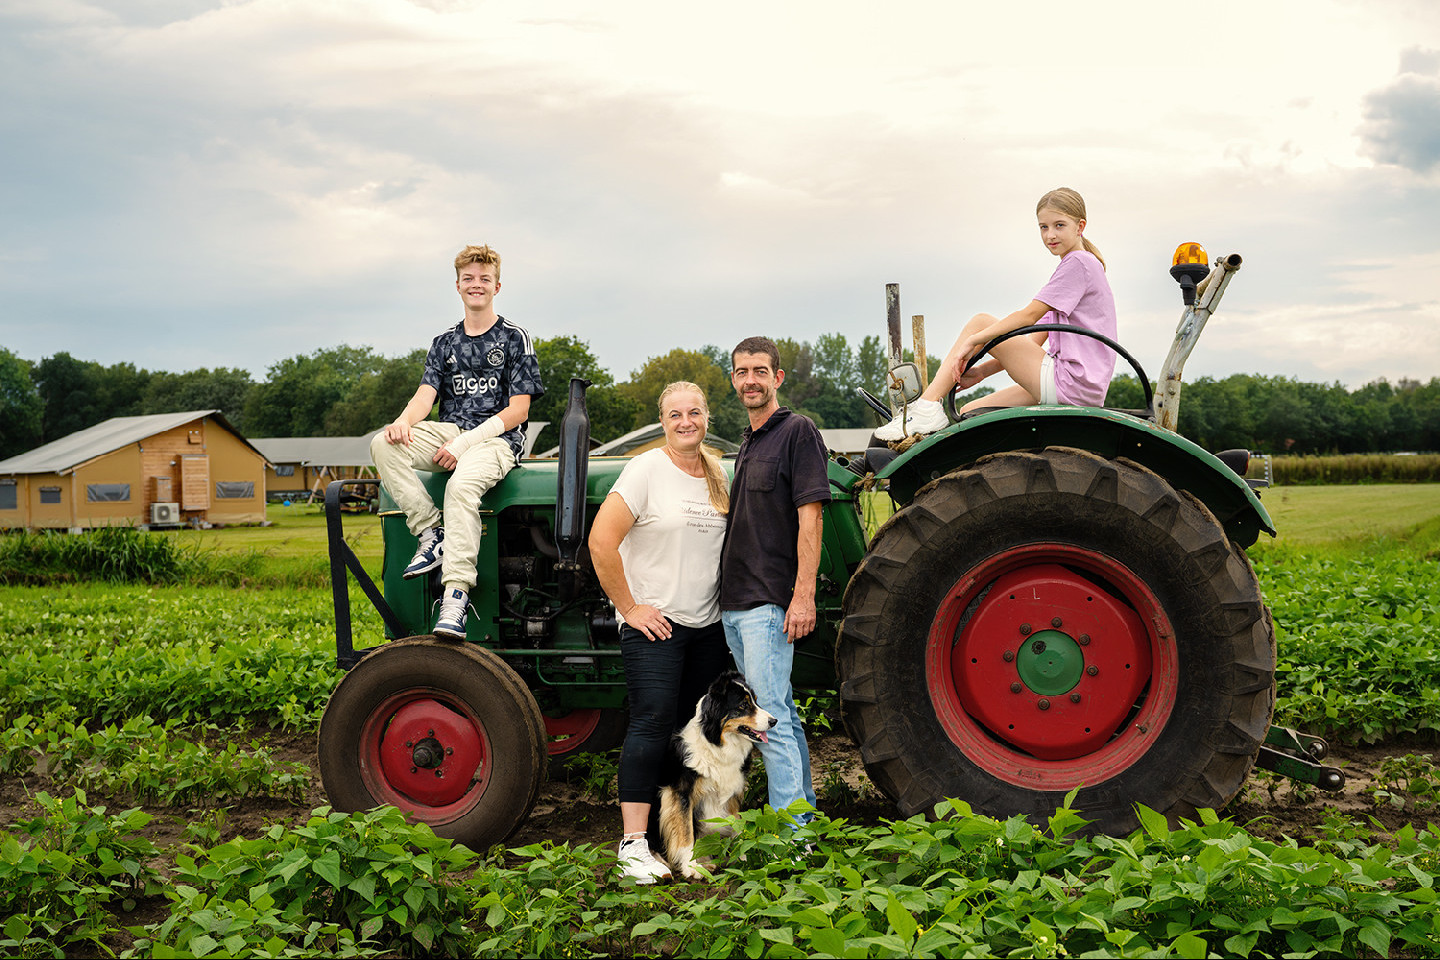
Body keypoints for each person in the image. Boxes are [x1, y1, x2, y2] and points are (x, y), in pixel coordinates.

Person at [588, 381, 732, 884]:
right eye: (675, 414)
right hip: (658, 626)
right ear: (663, 420)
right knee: (651, 724)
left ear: (707, 417)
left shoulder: (716, 473)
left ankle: (678, 841)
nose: (686, 421)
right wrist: (629, 606)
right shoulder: (646, 469)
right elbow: (601, 541)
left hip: (707, 626)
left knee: (690, 736)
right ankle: (632, 844)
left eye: (694, 412)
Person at [369, 244, 543, 639]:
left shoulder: (515, 338)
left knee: (462, 484)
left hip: (497, 439)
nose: (476, 285)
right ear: (458, 286)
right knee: (384, 444)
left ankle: (456, 595)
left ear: (497, 286)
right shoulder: (444, 342)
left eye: (484, 279)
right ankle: (431, 532)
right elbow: (425, 396)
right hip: (451, 431)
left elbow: (519, 410)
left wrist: (464, 446)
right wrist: (403, 422)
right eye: (469, 279)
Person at [874, 187, 1118, 440]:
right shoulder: (1081, 267)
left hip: (1070, 382)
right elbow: (1031, 341)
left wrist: (974, 339)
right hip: (1077, 386)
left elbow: (1028, 317)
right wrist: (982, 372)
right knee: (970, 412)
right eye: (1043, 227)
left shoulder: (1078, 263)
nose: (1050, 235)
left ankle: (926, 406)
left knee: (980, 322)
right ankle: (929, 412)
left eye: (1059, 225)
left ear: (1080, 227)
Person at [719, 336, 830, 829]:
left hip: (768, 601)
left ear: (777, 378)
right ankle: (805, 813)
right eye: (742, 372)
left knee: (766, 721)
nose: (750, 381)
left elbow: (811, 519)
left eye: (760, 371)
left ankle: (795, 836)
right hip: (735, 602)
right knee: (779, 711)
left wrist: (802, 595)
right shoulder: (748, 441)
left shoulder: (797, 431)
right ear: (734, 379)